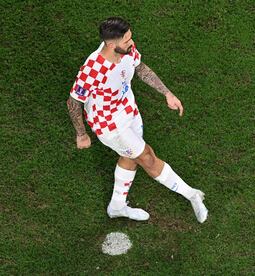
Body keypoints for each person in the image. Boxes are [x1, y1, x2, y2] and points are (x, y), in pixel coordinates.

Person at [66, 17, 208, 223]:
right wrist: (81, 133)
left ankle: (116, 207)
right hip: (110, 124)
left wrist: (167, 93)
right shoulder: (93, 70)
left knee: (131, 156)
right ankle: (192, 194)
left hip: (128, 109)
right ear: (111, 44)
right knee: (147, 157)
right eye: (127, 40)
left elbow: (141, 68)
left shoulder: (125, 50)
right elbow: (73, 102)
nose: (131, 43)